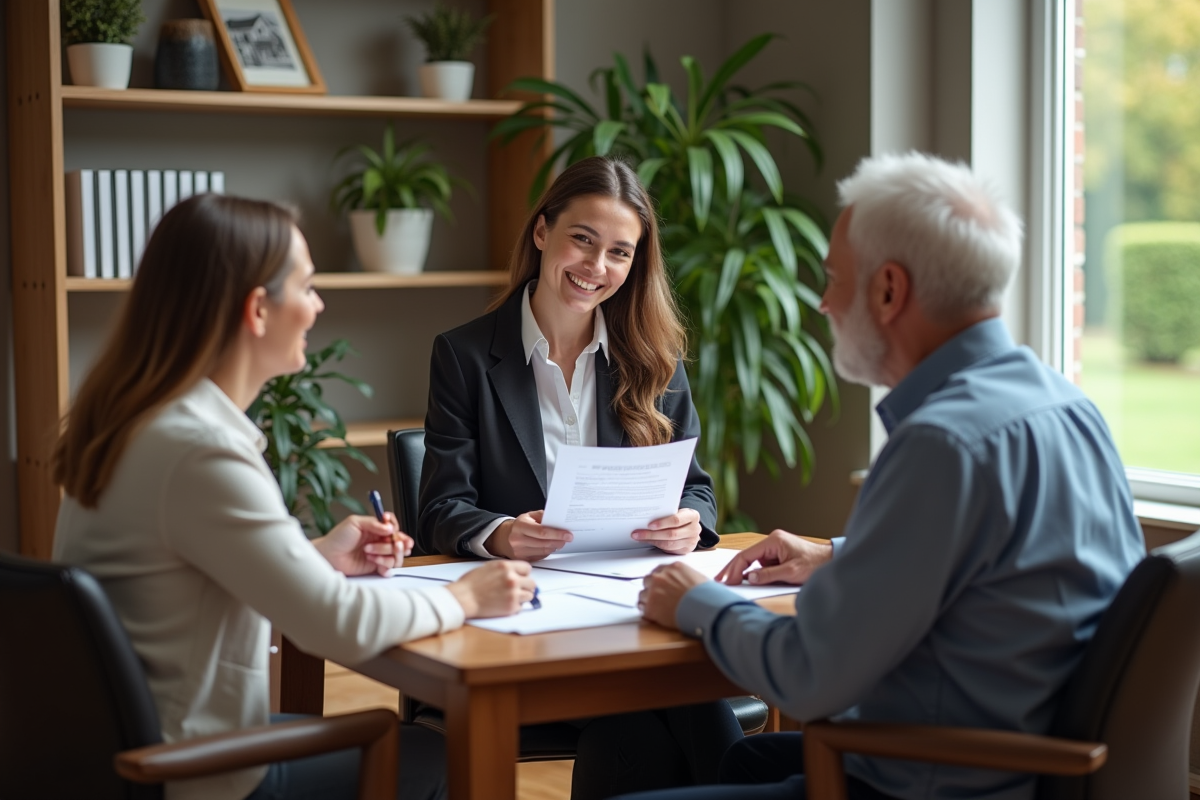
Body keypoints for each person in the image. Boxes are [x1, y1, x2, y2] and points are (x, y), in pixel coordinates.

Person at [624, 152, 1147, 800]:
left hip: (934, 780)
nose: (823, 301)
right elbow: (1003, 558)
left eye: (835, 278)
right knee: (741, 764)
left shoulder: (941, 442)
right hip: (1024, 758)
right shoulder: (1063, 403)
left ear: (889, 290)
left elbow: (809, 675)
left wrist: (697, 601)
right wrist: (838, 555)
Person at [52, 194, 536, 800]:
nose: (317, 305)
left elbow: (184, 568)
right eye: (306, 287)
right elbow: (339, 626)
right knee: (436, 757)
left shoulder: (137, 424)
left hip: (127, 758)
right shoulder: (201, 451)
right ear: (258, 309)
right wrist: (467, 596)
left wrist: (317, 556)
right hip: (201, 773)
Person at [415, 156, 742, 799]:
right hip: (523, 630)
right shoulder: (464, 355)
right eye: (582, 240)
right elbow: (440, 508)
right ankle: (755, 782)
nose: (596, 268)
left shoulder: (653, 360)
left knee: (638, 736)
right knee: (673, 705)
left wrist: (689, 522)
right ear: (542, 232)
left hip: (630, 612)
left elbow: (698, 491)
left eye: (619, 253)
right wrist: (504, 533)